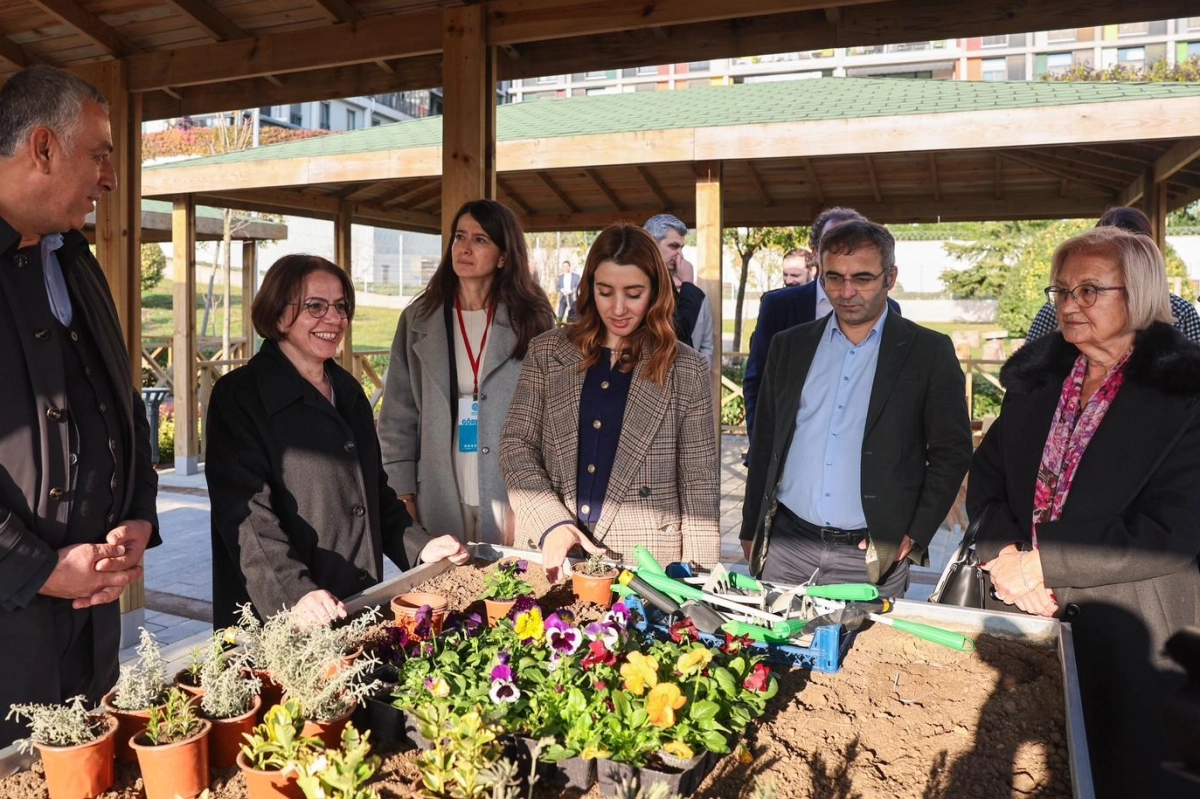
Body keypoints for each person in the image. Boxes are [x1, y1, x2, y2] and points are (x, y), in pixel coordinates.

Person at [968, 226, 1200, 798]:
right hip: (1024, 616)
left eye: (1090, 290)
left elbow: (1175, 526)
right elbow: (988, 480)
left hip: (1138, 630)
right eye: (1061, 291)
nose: (1070, 305)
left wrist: (1045, 564)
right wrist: (1004, 560)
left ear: (1140, 294)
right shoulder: (1039, 380)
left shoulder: (1186, 394)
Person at [0, 65, 159, 747]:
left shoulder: (77, 257)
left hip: (90, 622)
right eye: (100, 155)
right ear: (43, 148)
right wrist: (37, 568)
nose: (111, 179)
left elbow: (120, 401)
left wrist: (138, 513)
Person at [207, 255, 468, 630]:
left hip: (355, 600)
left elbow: (375, 494)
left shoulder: (347, 390)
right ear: (279, 314)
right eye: (315, 306)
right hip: (286, 615)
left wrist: (419, 546)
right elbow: (246, 516)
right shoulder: (239, 396)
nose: (334, 319)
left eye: (341, 307)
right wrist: (295, 593)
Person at [741, 220, 971, 593]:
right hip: (787, 545)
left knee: (861, 652)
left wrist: (914, 533)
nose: (847, 292)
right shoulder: (789, 346)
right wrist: (752, 525)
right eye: (834, 278)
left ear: (890, 276)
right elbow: (766, 441)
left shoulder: (928, 352)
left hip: (873, 554)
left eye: (862, 278)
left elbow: (952, 452)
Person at [501, 223, 721, 582]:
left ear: (655, 292)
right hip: (556, 552)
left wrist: (700, 582)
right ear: (589, 289)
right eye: (605, 292)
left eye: (633, 293)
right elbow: (516, 445)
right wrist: (551, 523)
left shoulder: (686, 368)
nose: (618, 308)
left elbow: (698, 484)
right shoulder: (547, 352)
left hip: (646, 565)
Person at [378, 200, 554, 546]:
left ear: (504, 256)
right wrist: (402, 493)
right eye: (460, 237)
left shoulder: (534, 321)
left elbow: (549, 417)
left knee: (510, 590)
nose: (465, 248)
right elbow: (398, 416)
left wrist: (540, 500)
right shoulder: (417, 320)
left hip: (511, 489)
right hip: (439, 487)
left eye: (480, 239)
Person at [742, 207, 901, 445]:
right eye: (836, 240)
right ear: (816, 253)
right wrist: (762, 446)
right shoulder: (779, 305)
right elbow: (758, 380)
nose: (846, 249)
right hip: (792, 449)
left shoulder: (890, 308)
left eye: (855, 240)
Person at [1025, 206, 1200, 343]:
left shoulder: (1179, 312)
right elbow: (1026, 373)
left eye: (1090, 291)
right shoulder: (1056, 310)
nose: (1069, 306)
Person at [644, 214, 714, 366]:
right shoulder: (644, 279)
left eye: (681, 247)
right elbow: (680, 332)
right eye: (673, 246)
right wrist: (688, 282)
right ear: (652, 244)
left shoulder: (662, 279)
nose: (680, 254)